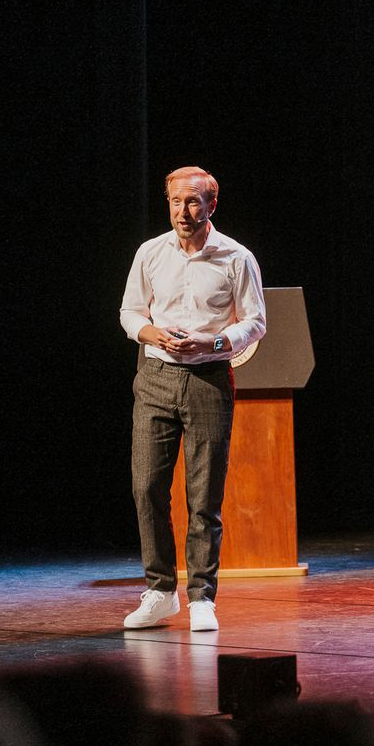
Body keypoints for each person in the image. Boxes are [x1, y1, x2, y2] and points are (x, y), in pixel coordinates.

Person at [119, 165, 266, 632]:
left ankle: (202, 596)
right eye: (176, 202)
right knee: (147, 487)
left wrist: (215, 342)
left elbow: (255, 321)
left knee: (203, 495)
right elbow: (130, 312)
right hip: (155, 377)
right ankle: (160, 592)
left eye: (193, 202)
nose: (183, 211)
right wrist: (152, 333)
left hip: (208, 379)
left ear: (211, 205)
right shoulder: (150, 253)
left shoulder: (236, 257)